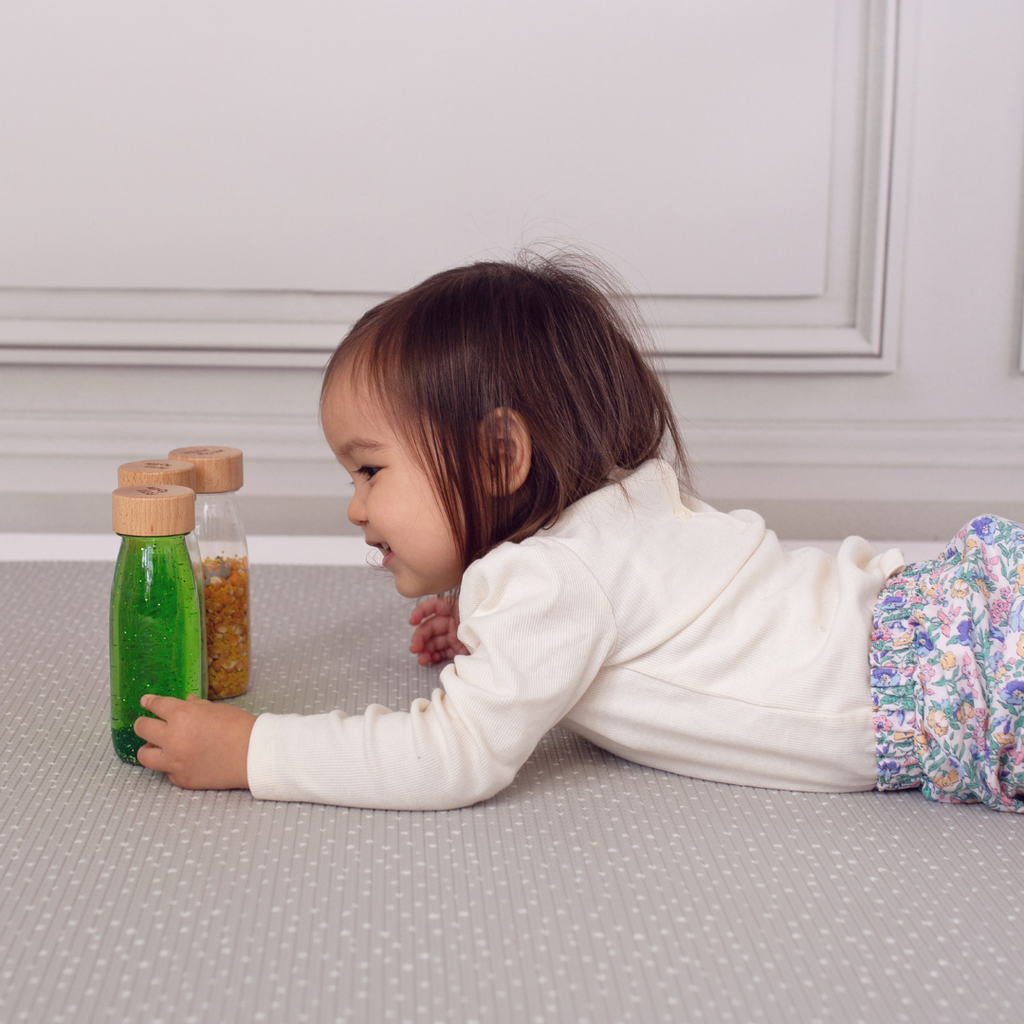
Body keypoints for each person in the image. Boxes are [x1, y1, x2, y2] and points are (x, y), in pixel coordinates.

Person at [133, 254, 1024, 813]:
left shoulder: (552, 582)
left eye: (370, 470)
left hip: (961, 682)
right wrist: (485, 630)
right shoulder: (613, 519)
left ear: (498, 455)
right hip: (938, 615)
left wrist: (255, 751)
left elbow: (452, 757)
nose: (356, 507)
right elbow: (601, 629)